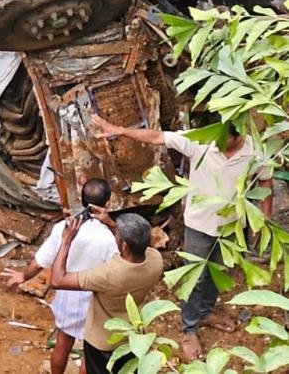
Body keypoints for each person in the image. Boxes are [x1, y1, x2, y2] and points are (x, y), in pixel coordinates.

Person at [92, 114, 272, 360]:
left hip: (232, 228)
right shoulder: (200, 142)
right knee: (193, 278)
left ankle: (206, 311)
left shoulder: (255, 152)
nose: (217, 142)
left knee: (218, 274)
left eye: (224, 139)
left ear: (238, 135)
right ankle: (189, 329)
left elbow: (266, 180)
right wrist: (119, 129)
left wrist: (264, 218)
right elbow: (157, 136)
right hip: (198, 226)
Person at [3, 178, 119, 374]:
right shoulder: (107, 238)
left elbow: (41, 260)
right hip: (94, 299)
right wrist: (112, 224)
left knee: (63, 342)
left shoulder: (64, 229)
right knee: (89, 353)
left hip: (67, 292)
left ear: (81, 200)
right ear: (107, 204)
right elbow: (121, 261)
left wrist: (24, 276)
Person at [50, 210, 163, 373]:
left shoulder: (109, 274)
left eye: (117, 235)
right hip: (132, 336)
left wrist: (66, 241)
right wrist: (110, 223)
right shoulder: (156, 260)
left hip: (103, 342)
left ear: (124, 245)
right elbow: (136, 247)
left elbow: (57, 280)